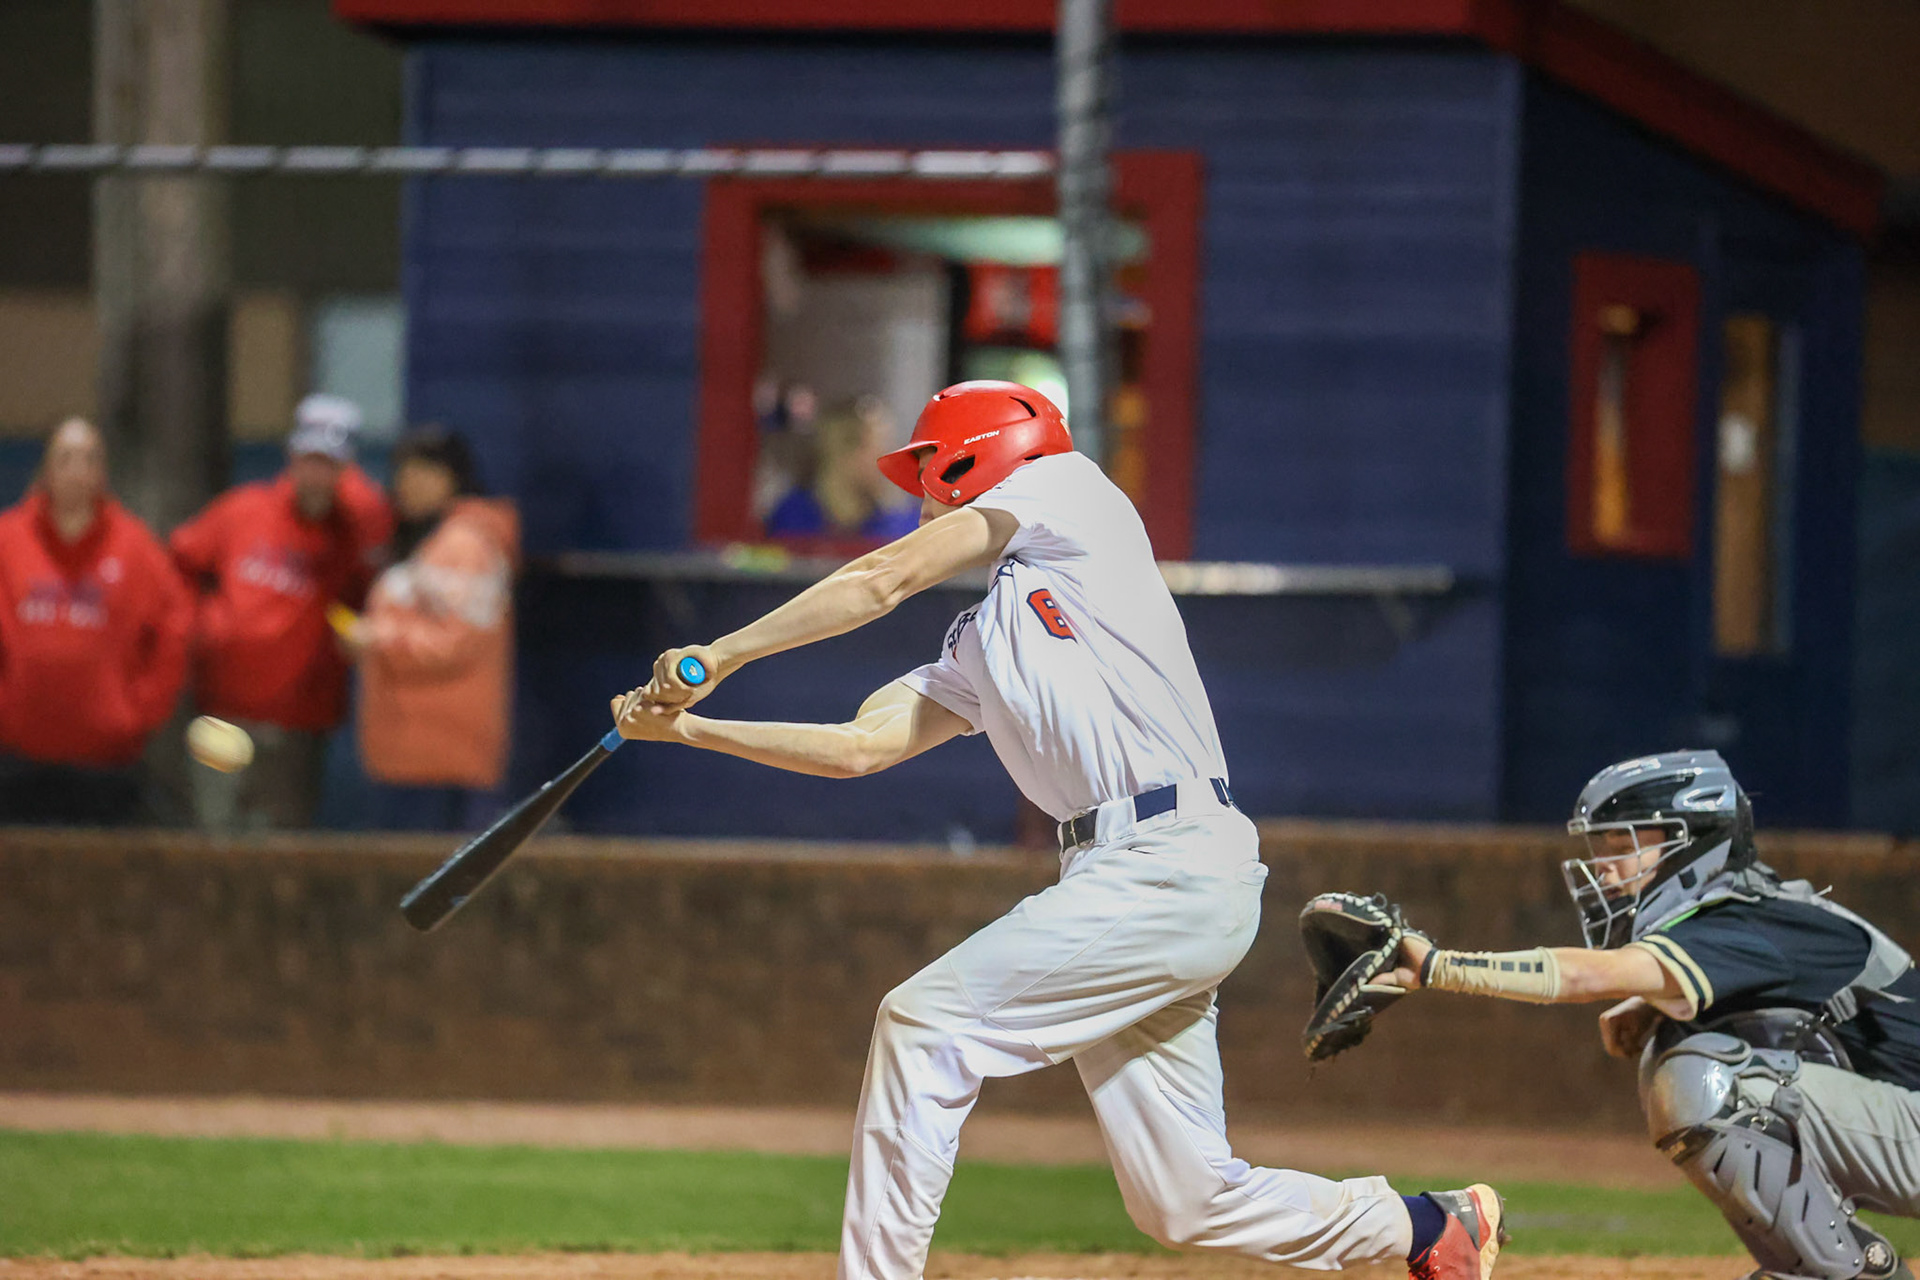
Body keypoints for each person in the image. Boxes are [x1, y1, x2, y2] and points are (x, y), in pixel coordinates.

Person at [611, 380, 1505, 1280]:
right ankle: (1427, 1228)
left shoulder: (1068, 490)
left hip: (1170, 858)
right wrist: (691, 730)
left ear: (978, 451)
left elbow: (882, 579)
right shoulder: (983, 632)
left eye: (928, 465)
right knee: (1182, 1197)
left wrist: (721, 654)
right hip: (1127, 880)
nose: (920, 490)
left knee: (923, 1026)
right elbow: (858, 747)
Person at [1376, 750, 1920, 1280]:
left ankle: (1850, 1273)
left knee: (1702, 1077)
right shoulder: (1739, 916)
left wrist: (1438, 967)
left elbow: (1588, 976)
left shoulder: (1743, 918)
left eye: (1627, 843)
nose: (1606, 868)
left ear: (1694, 845)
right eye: (1603, 846)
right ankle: (1815, 1266)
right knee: (1677, 1045)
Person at [170, 394, 393, 830]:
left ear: (345, 470)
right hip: (223, 711)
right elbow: (178, 563)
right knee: (212, 836)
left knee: (282, 844)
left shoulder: (352, 532)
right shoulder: (243, 509)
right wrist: (200, 628)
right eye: (309, 459)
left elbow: (369, 583)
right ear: (291, 456)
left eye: (329, 464)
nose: (316, 473)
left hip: (299, 724)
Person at [0, 418, 191, 824]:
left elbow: (175, 627)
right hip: (16, 761)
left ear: (102, 473)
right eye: (65, 459)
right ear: (46, 471)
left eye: (89, 460)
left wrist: (140, 711)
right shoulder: (8, 541)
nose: (76, 471)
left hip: (107, 766)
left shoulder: (134, 545)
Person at [347, 425, 518, 831]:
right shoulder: (424, 541)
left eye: (427, 473)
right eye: (405, 472)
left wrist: (377, 640)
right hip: (406, 748)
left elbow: (458, 641)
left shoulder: (466, 545)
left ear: (455, 479)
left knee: (431, 880)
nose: (410, 484)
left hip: (443, 754)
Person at [763, 396, 918, 544]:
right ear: (843, 453)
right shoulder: (795, 515)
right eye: (878, 446)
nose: (890, 456)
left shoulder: (904, 520)